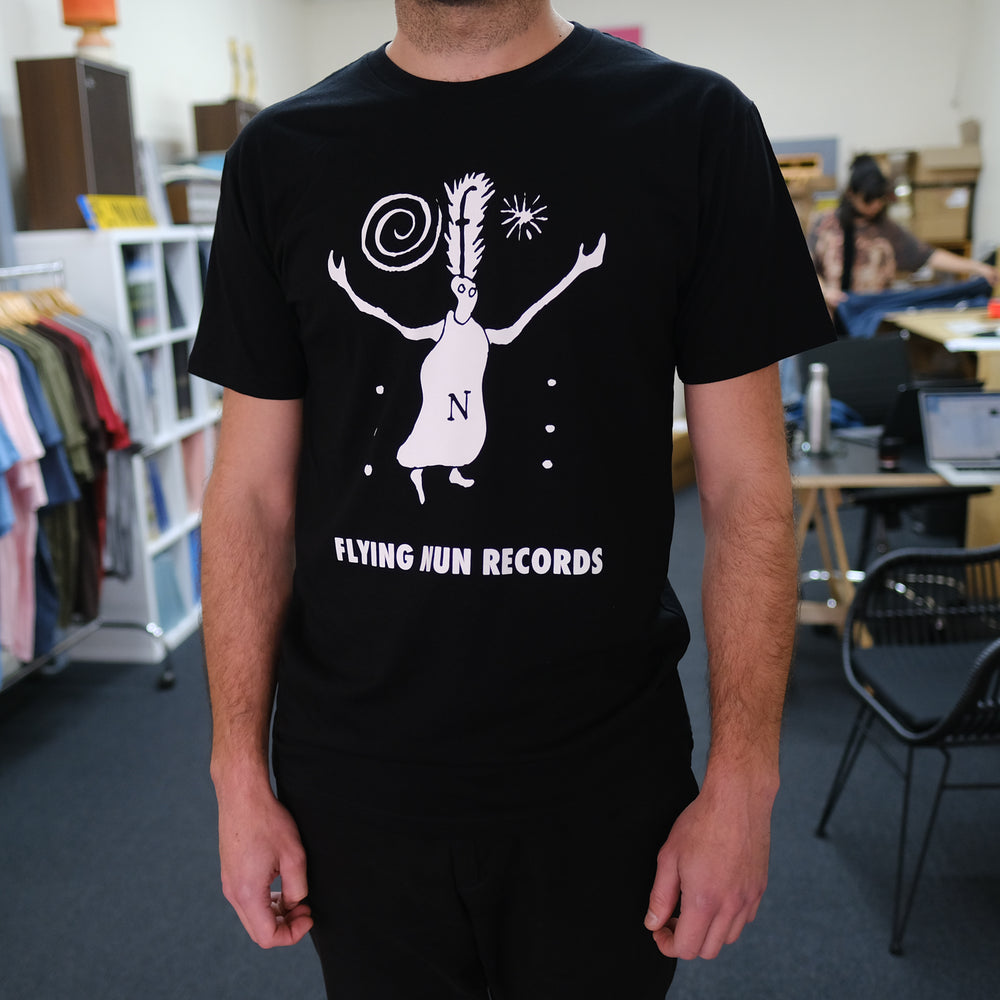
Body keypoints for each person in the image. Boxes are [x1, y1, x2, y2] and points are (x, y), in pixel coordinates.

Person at [189, 3, 834, 997]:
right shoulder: (281, 155)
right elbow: (249, 500)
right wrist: (235, 771)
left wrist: (746, 780)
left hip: (604, 782)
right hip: (353, 784)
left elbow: (748, 489)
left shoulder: (693, 127)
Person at [810, 153, 997, 313]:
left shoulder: (887, 229)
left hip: (871, 312)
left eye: (879, 200)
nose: (875, 206)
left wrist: (976, 267)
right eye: (868, 200)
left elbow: (927, 255)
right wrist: (825, 292)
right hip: (832, 312)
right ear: (851, 193)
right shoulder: (825, 224)